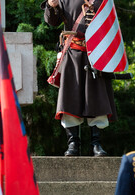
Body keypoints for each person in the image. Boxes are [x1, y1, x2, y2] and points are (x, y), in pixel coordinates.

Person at [41, 0, 118, 156]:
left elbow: (111, 26)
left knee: (97, 99)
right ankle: (73, 143)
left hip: (97, 55)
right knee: (70, 99)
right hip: (72, 54)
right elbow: (52, 22)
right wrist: (51, 5)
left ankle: (96, 143)